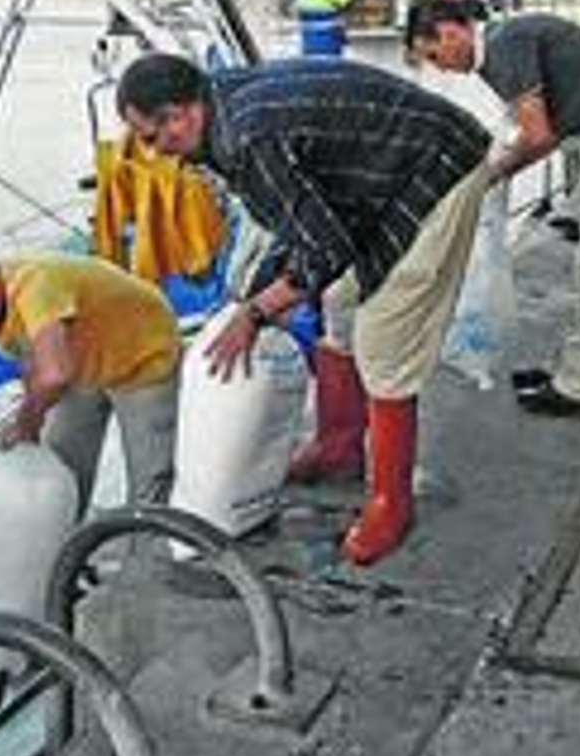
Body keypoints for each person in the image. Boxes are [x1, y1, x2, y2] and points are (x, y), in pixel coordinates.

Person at [115, 53, 491, 567]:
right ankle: (338, 446)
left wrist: (256, 313)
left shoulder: (247, 139)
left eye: (155, 138)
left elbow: (325, 251)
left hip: (439, 167)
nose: (163, 154)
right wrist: (253, 298)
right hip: (380, 173)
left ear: (180, 114)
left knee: (385, 336)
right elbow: (302, 225)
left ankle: (390, 503)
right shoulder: (222, 106)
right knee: (338, 300)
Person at [407, 0, 580, 417]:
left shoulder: (504, 47)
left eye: (435, 56)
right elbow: (541, 126)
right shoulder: (508, 41)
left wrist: (492, 176)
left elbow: (539, 135)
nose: (441, 68)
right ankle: (573, 369)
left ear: (452, 32)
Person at [0, 244, 181, 511]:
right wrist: (28, 421)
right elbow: (35, 367)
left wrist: (26, 424)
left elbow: (55, 375)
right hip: (84, 362)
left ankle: (149, 546)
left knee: (150, 476)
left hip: (142, 355)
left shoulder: (37, 284)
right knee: (62, 465)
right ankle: (64, 539)